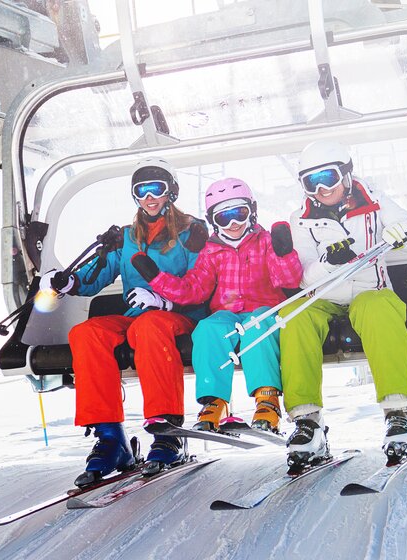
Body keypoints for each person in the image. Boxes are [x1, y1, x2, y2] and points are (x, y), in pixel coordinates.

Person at [40, 157, 209, 485]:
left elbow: (203, 285)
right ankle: (111, 439)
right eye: (141, 190)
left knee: (150, 326)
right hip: (138, 317)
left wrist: (164, 300)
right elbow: (98, 275)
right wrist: (69, 281)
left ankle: (167, 431)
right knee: (86, 333)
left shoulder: (192, 231)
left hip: (180, 316)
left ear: (170, 192)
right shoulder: (129, 236)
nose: (149, 197)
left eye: (155, 189)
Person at [280, 140, 407, 470]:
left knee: (377, 309)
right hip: (325, 296)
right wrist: (329, 265)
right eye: (312, 182)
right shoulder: (300, 219)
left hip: (370, 290)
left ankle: (398, 414)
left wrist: (404, 233)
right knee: (292, 317)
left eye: (329, 178)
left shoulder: (375, 203)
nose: (321, 189)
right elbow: (306, 275)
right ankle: (307, 423)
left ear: (346, 175)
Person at [130, 178, 303, 434]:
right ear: (213, 221)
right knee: (208, 329)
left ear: (251, 212)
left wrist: (284, 252)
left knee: (257, 326)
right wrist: (156, 278)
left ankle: (267, 400)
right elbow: (193, 289)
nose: (233, 224)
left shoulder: (265, 242)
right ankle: (214, 401)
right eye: (224, 218)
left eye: (239, 214)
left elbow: (286, 279)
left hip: (264, 309)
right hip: (227, 314)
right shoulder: (211, 250)